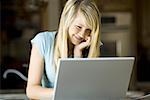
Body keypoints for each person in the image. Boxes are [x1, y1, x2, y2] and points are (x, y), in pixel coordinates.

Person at [26, 0, 102, 99]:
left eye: (89, 30)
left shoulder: (91, 45)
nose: (82, 34)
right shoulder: (43, 41)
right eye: (78, 27)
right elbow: (32, 91)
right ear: (67, 21)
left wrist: (78, 54)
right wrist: (62, 93)